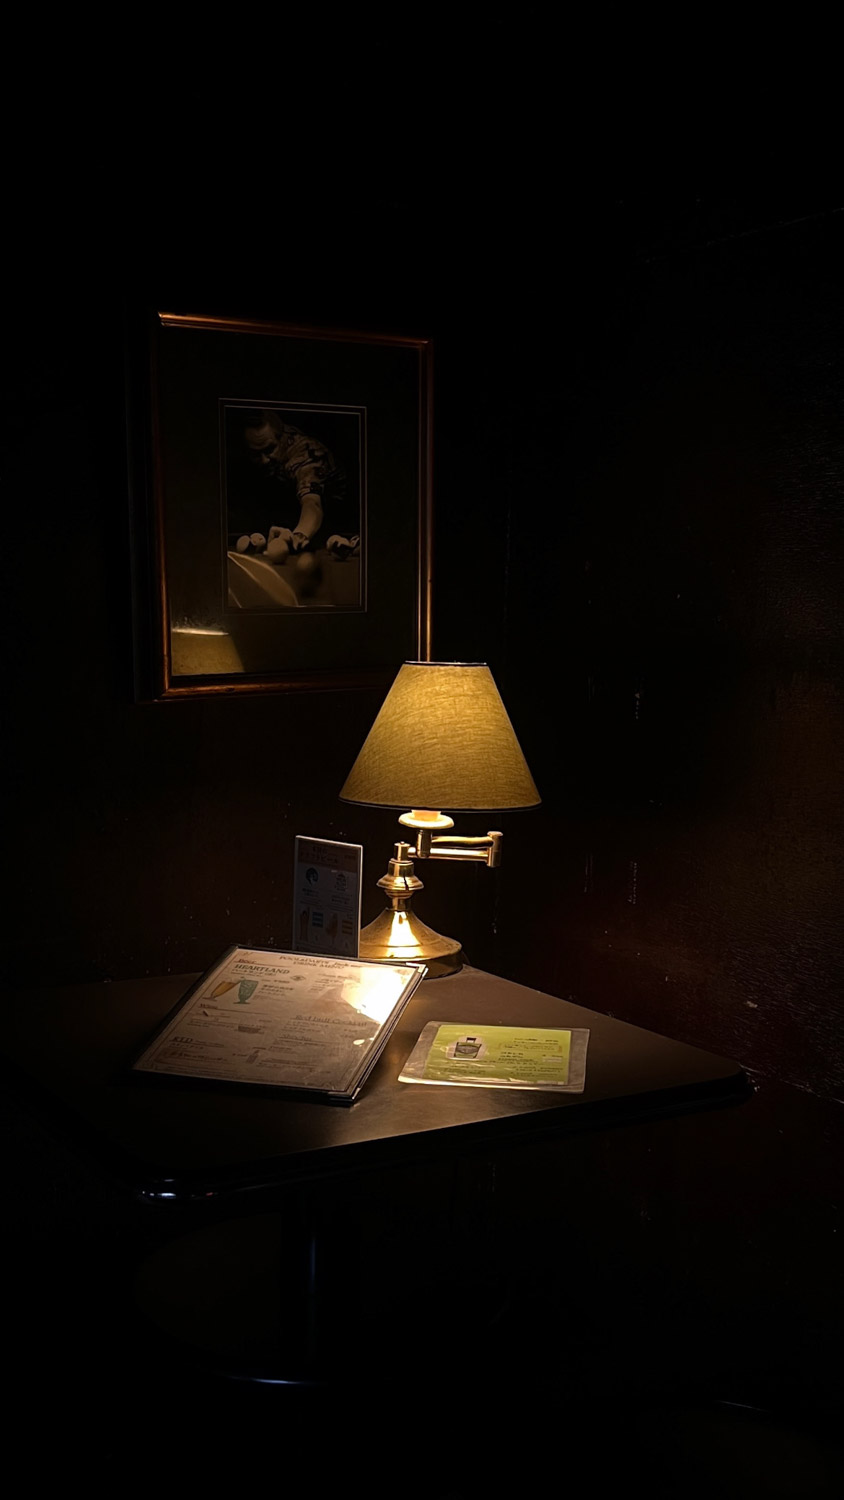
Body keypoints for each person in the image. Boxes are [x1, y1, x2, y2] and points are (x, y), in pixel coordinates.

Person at [235, 407, 349, 559]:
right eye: (255, 453)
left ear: (283, 438)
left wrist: (299, 535)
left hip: (333, 521)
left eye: (269, 449)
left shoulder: (305, 455)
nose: (263, 460)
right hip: (289, 513)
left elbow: (312, 503)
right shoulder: (258, 451)